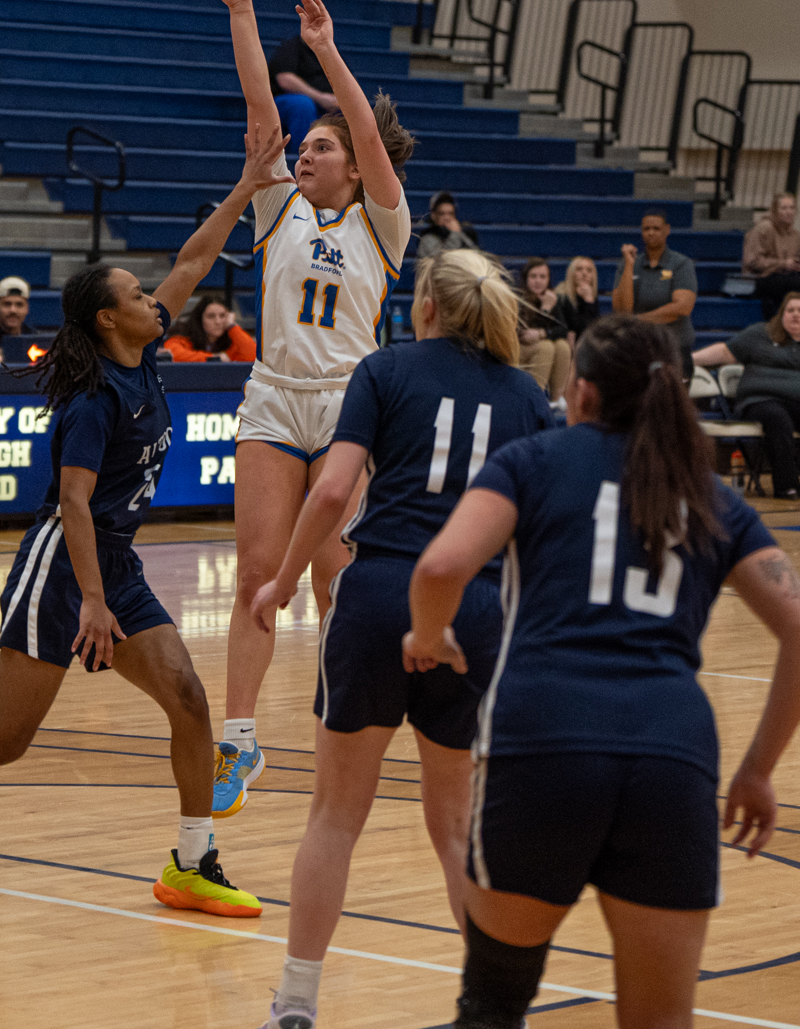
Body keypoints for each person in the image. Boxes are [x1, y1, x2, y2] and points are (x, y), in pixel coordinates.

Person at [403, 316, 800, 1029]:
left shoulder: (533, 459)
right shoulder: (707, 492)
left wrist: (427, 633)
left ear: (585, 391)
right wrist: (758, 769)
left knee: (492, 1007)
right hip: (671, 751)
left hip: (542, 738)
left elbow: (442, 563)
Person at [0, 126, 290, 922]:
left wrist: (247, 186)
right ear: (110, 319)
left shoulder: (141, 352)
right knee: (5, 739)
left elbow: (193, 262)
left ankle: (192, 860)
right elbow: (71, 503)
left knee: (189, 699)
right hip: (64, 567)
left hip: (114, 561)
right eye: (138, 295)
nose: (155, 298)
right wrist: (94, 600)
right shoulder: (92, 399)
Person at [243, 249, 553, 1029]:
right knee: (454, 826)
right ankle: (490, 1007)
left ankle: (297, 1000)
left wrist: (281, 581)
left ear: (424, 308)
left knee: (335, 815)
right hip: (475, 608)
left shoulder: (383, 370)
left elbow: (336, 488)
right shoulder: (527, 395)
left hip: (381, 592)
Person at [194, 0, 417, 819]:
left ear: (356, 168)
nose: (311, 153)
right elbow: (260, 110)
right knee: (256, 566)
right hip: (275, 393)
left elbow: (364, 131)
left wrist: (327, 51)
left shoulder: (384, 227)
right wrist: (242, 11)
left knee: (334, 581)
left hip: (348, 407)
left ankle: (338, 725)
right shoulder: (278, 205)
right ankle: (239, 739)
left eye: (323, 146)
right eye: (308, 147)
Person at [692, 292, 800, 500]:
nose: (795, 315)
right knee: (778, 418)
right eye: (790, 310)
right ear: (781, 315)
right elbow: (725, 352)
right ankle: (786, 486)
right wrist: (690, 359)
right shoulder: (760, 334)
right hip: (761, 401)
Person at [611, 209, 698, 377]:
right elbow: (622, 310)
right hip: (639, 349)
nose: (651, 233)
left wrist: (638, 320)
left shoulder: (681, 264)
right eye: (646, 229)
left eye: (656, 229)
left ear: (667, 230)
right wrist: (629, 264)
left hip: (674, 349)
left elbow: (682, 308)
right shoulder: (629, 264)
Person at [742, 192, 800, 319]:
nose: (789, 212)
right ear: (775, 211)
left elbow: (793, 260)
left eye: (792, 208)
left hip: (784, 276)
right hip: (761, 277)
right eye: (784, 208)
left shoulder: (796, 235)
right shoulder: (764, 228)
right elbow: (752, 261)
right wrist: (783, 264)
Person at [268, 24, 340, 154]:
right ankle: (304, 157)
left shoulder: (331, 52)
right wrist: (320, 97)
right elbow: (285, 79)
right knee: (302, 104)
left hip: (326, 104)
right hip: (287, 101)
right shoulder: (292, 47)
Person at [516, 257, 571, 403]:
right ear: (525, 278)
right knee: (546, 347)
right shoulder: (518, 298)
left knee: (563, 346)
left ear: (548, 279)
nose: (538, 281)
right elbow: (523, 332)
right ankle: (535, 399)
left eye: (542, 277)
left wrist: (542, 333)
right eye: (533, 276)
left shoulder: (550, 298)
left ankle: (557, 399)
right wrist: (545, 311)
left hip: (537, 344)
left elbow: (563, 330)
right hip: (518, 347)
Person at [166, 292, 256, 362]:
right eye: (211, 316)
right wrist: (215, 358)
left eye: (222, 316)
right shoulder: (183, 335)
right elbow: (172, 354)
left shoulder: (233, 338)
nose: (218, 322)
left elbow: (253, 355)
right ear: (199, 319)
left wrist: (233, 327)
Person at [552, 256, 602, 342]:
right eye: (579, 269)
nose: (584, 273)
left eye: (589, 270)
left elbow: (595, 328)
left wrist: (589, 301)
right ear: (571, 273)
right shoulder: (561, 296)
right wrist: (588, 302)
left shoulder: (590, 296)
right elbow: (578, 329)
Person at [416, 191, 479, 258]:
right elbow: (444, 260)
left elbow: (477, 255)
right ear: (433, 215)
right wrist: (455, 234)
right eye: (442, 214)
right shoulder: (427, 239)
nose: (447, 218)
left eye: (450, 213)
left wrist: (460, 234)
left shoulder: (462, 233)